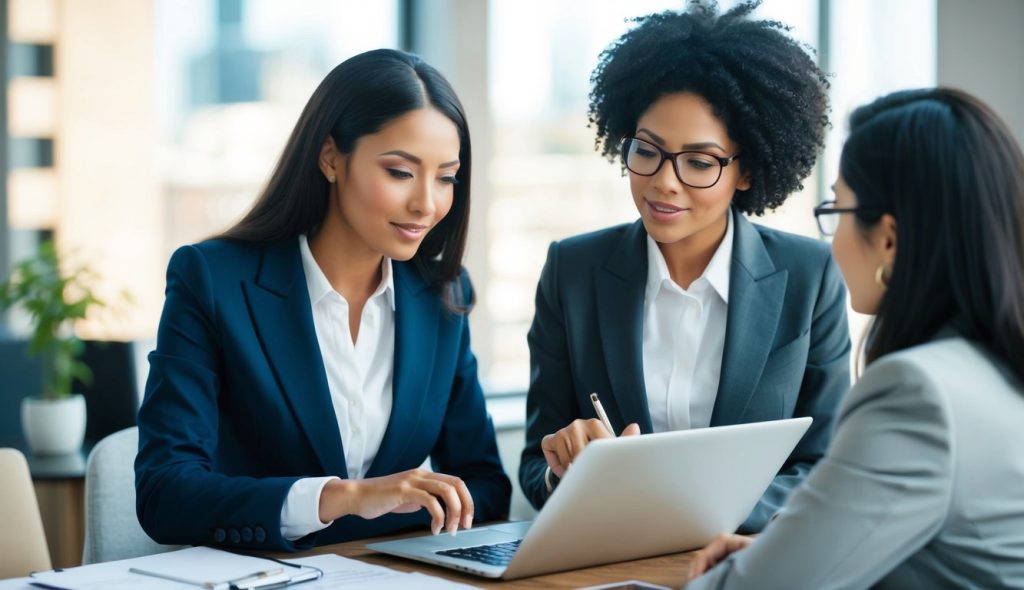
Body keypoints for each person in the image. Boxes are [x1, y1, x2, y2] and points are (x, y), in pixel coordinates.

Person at [135, 49, 511, 552]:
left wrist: (415, 506)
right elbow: (165, 492)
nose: (427, 202)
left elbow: (485, 485)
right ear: (331, 157)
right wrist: (344, 498)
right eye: (400, 172)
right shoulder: (213, 279)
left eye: (446, 177)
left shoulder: (442, 293)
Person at [519, 0, 849, 533]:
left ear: (746, 171)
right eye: (647, 151)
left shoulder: (809, 277)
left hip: (748, 565)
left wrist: (696, 511)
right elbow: (535, 469)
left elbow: (827, 468)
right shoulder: (572, 271)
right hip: (610, 563)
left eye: (699, 162)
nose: (663, 182)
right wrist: (566, 470)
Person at [686, 88, 1024, 588]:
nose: (833, 240)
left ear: (888, 238)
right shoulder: (992, 369)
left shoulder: (917, 392)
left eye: (837, 209)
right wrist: (783, 545)